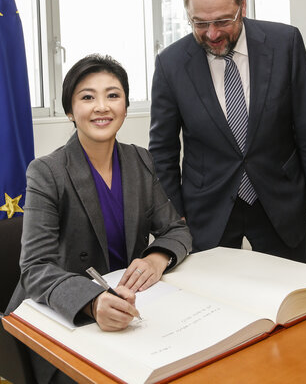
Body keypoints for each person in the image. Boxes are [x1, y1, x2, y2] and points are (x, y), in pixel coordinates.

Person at [7, 54, 192, 384]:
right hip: (63, 317)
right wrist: (92, 303)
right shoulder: (46, 172)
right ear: (70, 111)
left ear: (124, 105)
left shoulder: (139, 160)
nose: (102, 106)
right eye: (87, 97)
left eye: (113, 94)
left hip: (129, 309)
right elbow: (34, 268)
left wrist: (157, 257)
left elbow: (175, 229)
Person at [149, 0, 306, 262]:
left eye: (222, 21)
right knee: (214, 299)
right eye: (200, 23)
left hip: (278, 198)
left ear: (242, 6)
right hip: (208, 207)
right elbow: (163, 148)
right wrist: (173, 212)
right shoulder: (170, 64)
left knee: (286, 295)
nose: (212, 33)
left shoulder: (284, 43)